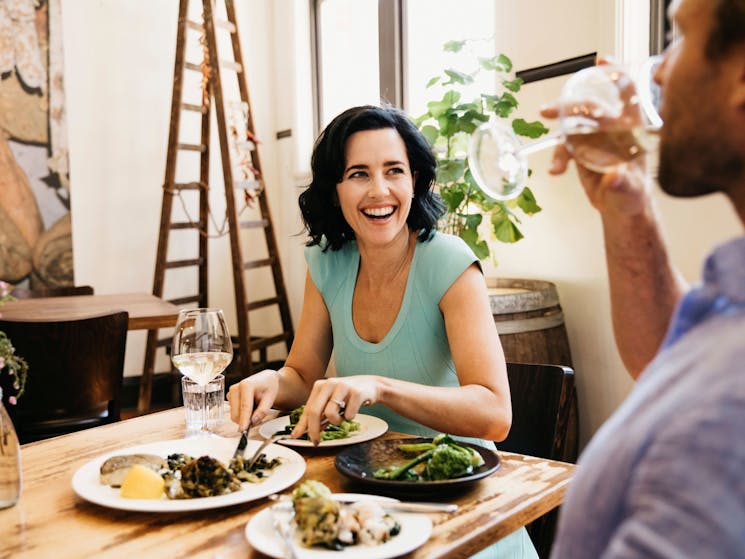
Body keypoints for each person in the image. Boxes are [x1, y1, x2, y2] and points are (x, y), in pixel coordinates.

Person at [228, 104, 537, 557]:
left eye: (394, 170)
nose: (379, 191)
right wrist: (270, 381)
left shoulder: (449, 263)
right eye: (358, 174)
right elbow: (301, 374)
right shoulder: (327, 262)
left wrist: (380, 387)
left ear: (414, 180)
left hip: (458, 500)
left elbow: (495, 414)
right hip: (367, 492)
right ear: (334, 191)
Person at [544, 0, 745, 556]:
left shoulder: (725, 421)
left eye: (679, 36)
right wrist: (628, 211)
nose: (656, 70)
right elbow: (667, 358)